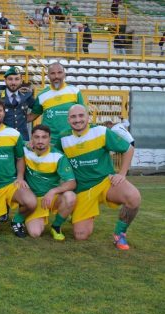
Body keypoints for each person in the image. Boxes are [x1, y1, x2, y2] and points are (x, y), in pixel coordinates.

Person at [57, 104, 140, 250]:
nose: (77, 120)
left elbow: (129, 148)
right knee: (80, 236)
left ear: (88, 117)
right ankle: (80, 213)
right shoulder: (63, 137)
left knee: (134, 197)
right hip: (83, 190)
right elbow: (52, 155)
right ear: (68, 120)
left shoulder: (101, 132)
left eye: (81, 115)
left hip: (106, 182)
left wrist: (122, 173)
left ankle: (120, 234)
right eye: (73, 117)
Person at [0, 97, 36, 237]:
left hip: (10, 184)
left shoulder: (14, 134)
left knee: (31, 202)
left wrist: (20, 177)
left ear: (4, 113)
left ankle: (17, 220)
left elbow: (20, 158)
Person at [23, 125, 76, 239]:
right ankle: (29, 216)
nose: (40, 141)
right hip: (33, 200)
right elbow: (10, 140)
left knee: (70, 196)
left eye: (44, 137)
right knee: (35, 233)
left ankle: (56, 226)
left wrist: (53, 191)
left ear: (49, 139)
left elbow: (72, 183)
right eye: (36, 137)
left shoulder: (58, 156)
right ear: (31, 138)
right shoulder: (25, 149)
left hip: (52, 198)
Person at [30, 62, 84, 144]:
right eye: (52, 73)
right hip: (51, 142)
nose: (56, 76)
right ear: (48, 76)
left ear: (64, 74)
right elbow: (32, 116)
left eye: (59, 73)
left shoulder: (75, 91)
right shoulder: (42, 95)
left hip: (71, 139)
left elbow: (84, 114)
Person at [0, 66, 35, 141]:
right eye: (10, 79)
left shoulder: (26, 95)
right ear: (5, 80)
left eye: (17, 79)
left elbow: (38, 108)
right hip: (3, 138)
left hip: (22, 139)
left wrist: (27, 118)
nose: (13, 82)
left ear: (21, 81)